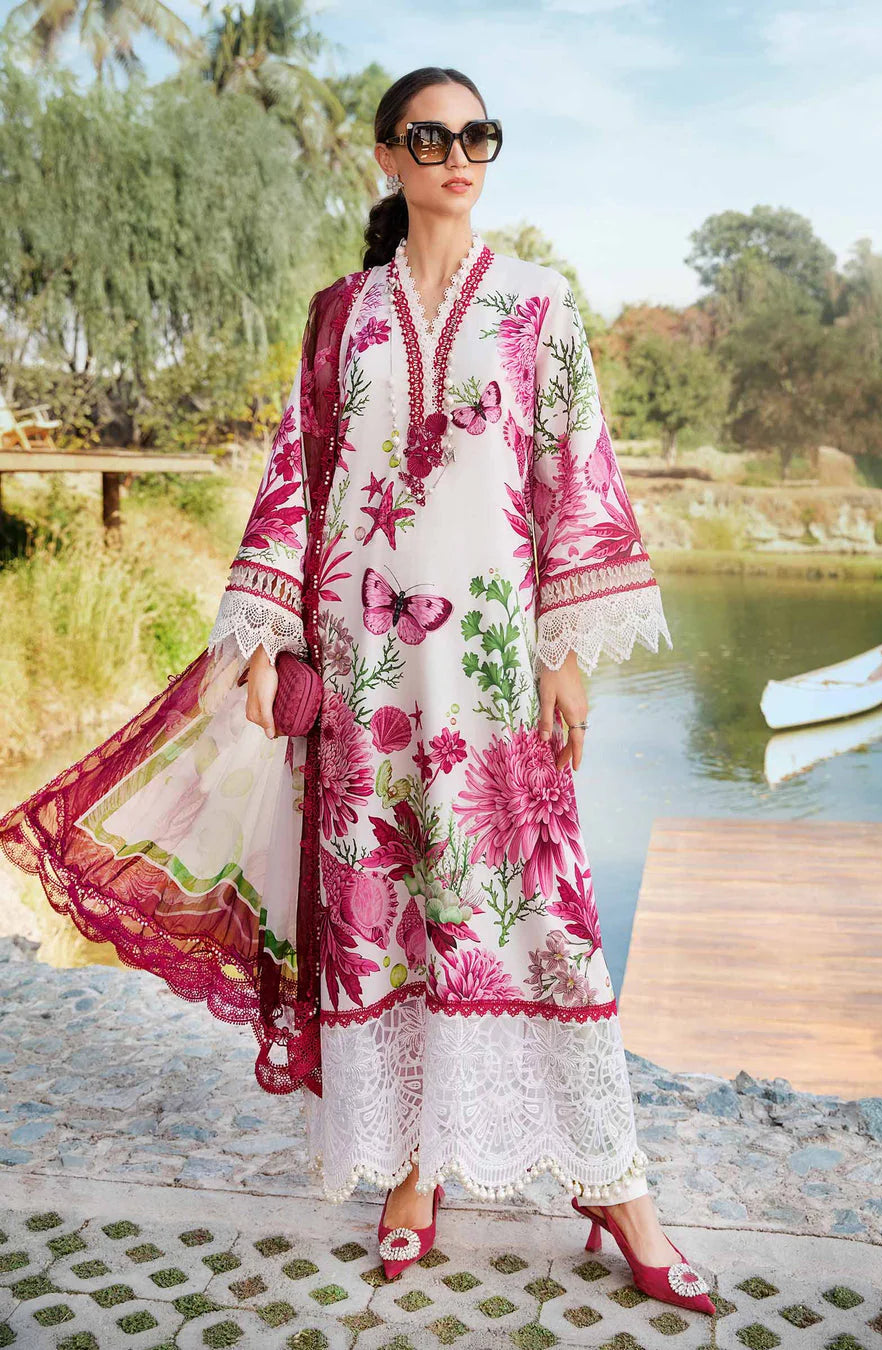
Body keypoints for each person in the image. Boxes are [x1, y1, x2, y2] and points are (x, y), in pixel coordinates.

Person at [0, 65, 714, 1314]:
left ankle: (613, 1182)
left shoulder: (540, 304)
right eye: (431, 137)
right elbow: (297, 480)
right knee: (385, 912)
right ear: (387, 156)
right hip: (364, 670)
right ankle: (412, 1169)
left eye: (478, 136)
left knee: (537, 917)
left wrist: (563, 653)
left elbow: (573, 474)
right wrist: (270, 638)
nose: (458, 156)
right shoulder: (339, 318)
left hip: (490, 670)